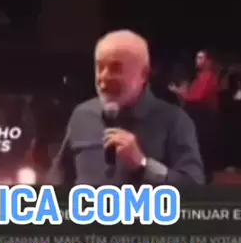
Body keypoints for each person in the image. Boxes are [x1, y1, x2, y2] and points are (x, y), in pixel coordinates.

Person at [48, 30, 205, 186]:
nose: (104, 77)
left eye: (115, 68)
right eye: (99, 67)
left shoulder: (174, 121)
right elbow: (58, 179)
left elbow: (195, 188)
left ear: (144, 74)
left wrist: (143, 165)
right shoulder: (82, 114)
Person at [169, 50, 220, 183]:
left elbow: (196, 98)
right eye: (197, 57)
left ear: (208, 61)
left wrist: (178, 92)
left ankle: (205, 179)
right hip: (199, 116)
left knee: (203, 148)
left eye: (201, 58)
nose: (197, 60)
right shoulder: (200, 77)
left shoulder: (209, 77)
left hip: (205, 117)